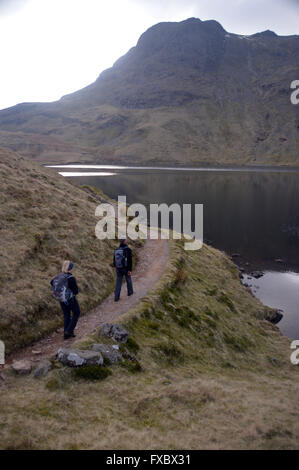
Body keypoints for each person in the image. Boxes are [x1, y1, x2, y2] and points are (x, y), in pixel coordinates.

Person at [51, 260, 80, 340]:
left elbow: (52, 282)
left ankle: (65, 334)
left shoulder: (58, 276)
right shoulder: (71, 278)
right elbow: (75, 291)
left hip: (61, 299)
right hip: (70, 299)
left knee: (67, 315)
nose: (73, 269)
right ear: (70, 268)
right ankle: (69, 331)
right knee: (76, 313)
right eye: (72, 267)